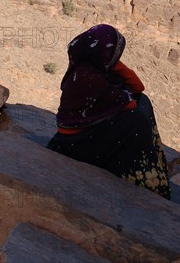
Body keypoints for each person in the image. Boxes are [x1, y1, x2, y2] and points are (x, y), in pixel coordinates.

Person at [47, 24, 171, 199]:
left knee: (143, 102)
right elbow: (128, 105)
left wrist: (113, 63)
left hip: (85, 133)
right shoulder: (88, 76)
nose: (115, 56)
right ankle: (141, 175)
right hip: (76, 144)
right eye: (112, 52)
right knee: (136, 121)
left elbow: (138, 88)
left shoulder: (92, 67)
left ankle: (146, 169)